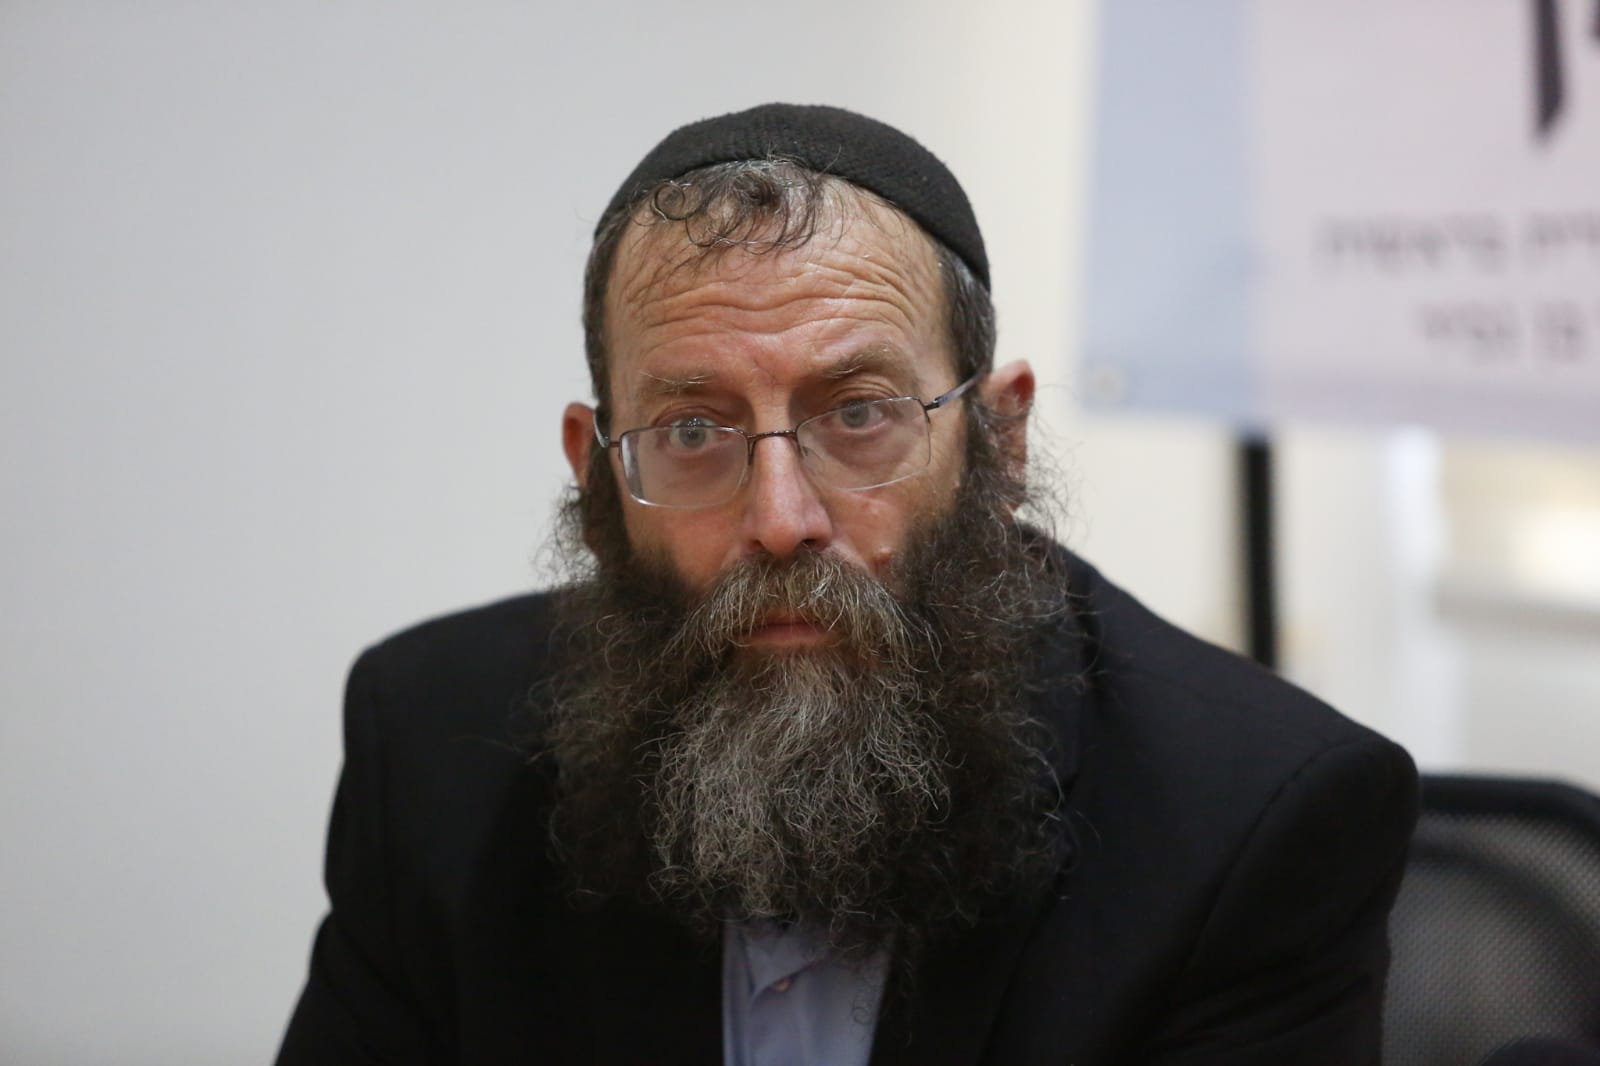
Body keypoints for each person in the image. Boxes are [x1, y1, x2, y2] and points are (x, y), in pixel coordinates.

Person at [276, 103, 1419, 1066]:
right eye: (691, 431)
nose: (781, 521)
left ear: (998, 442)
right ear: (595, 473)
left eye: (859, 414)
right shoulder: (433, 744)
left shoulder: (1250, 817)